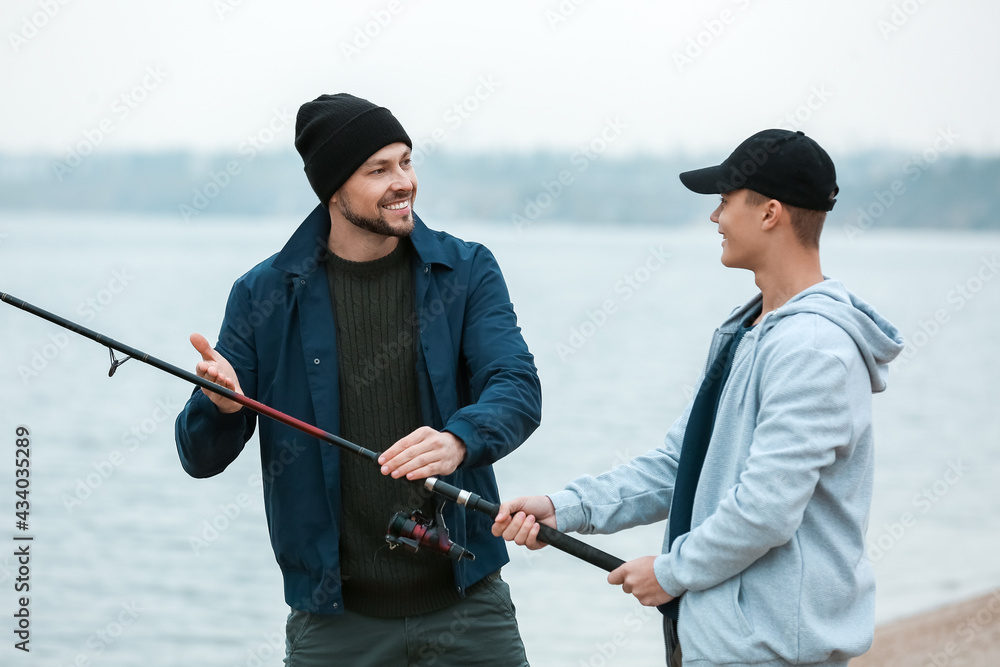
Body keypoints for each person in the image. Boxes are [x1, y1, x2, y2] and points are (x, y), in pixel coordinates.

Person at [492, 129, 904, 666]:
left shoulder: (815, 348)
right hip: (716, 644)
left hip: (773, 652)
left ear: (770, 212)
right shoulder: (746, 331)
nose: (715, 217)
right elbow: (678, 466)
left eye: (725, 201)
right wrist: (564, 508)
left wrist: (669, 573)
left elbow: (767, 509)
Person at [175, 93, 540, 666]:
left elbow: (516, 385)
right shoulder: (262, 295)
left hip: (470, 610)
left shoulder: (466, 270)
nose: (403, 182)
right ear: (333, 189)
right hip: (333, 628)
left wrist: (459, 438)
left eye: (406, 161)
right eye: (379, 170)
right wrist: (218, 408)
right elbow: (200, 457)